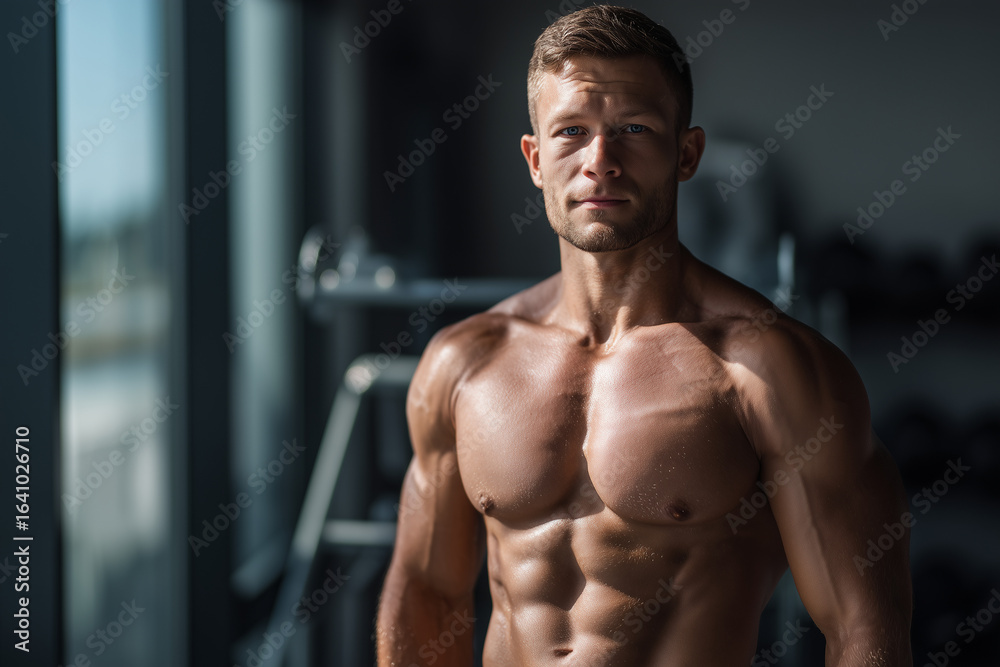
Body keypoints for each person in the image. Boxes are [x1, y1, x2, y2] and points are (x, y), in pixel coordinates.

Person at [376, 5, 912, 665]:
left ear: (686, 154)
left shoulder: (768, 369)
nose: (600, 161)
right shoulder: (464, 363)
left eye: (634, 128)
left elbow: (862, 628)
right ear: (536, 159)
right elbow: (427, 592)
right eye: (572, 131)